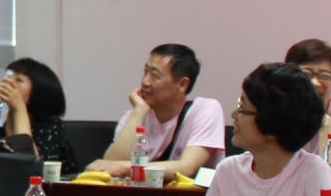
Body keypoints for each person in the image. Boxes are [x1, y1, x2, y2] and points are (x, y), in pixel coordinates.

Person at [192, 63, 331, 196]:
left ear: (272, 125)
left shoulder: (313, 171)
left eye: (243, 108)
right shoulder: (227, 170)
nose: (234, 115)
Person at [87, 43, 226, 176]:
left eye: (155, 75)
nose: (145, 81)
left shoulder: (205, 110)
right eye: (145, 72)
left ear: (182, 84)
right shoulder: (135, 115)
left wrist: (125, 168)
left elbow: (187, 167)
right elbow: (109, 166)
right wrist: (138, 112)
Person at [0, 57, 74, 171]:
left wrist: (19, 108)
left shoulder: (50, 126)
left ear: (39, 91)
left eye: (19, 80)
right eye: (8, 77)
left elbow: (32, 170)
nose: (8, 83)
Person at [286, 38, 331, 166]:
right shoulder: (279, 109)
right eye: (306, 74)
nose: (315, 82)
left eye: (324, 76)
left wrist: (325, 125)